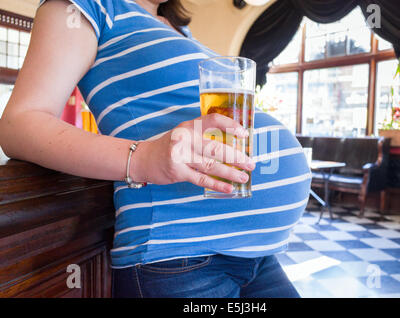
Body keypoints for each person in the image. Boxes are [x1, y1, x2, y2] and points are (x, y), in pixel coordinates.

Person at [0, 0, 311, 298]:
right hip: (180, 256)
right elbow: (20, 124)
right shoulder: (92, 5)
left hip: (257, 254)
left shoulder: (181, 30)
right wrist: (144, 158)